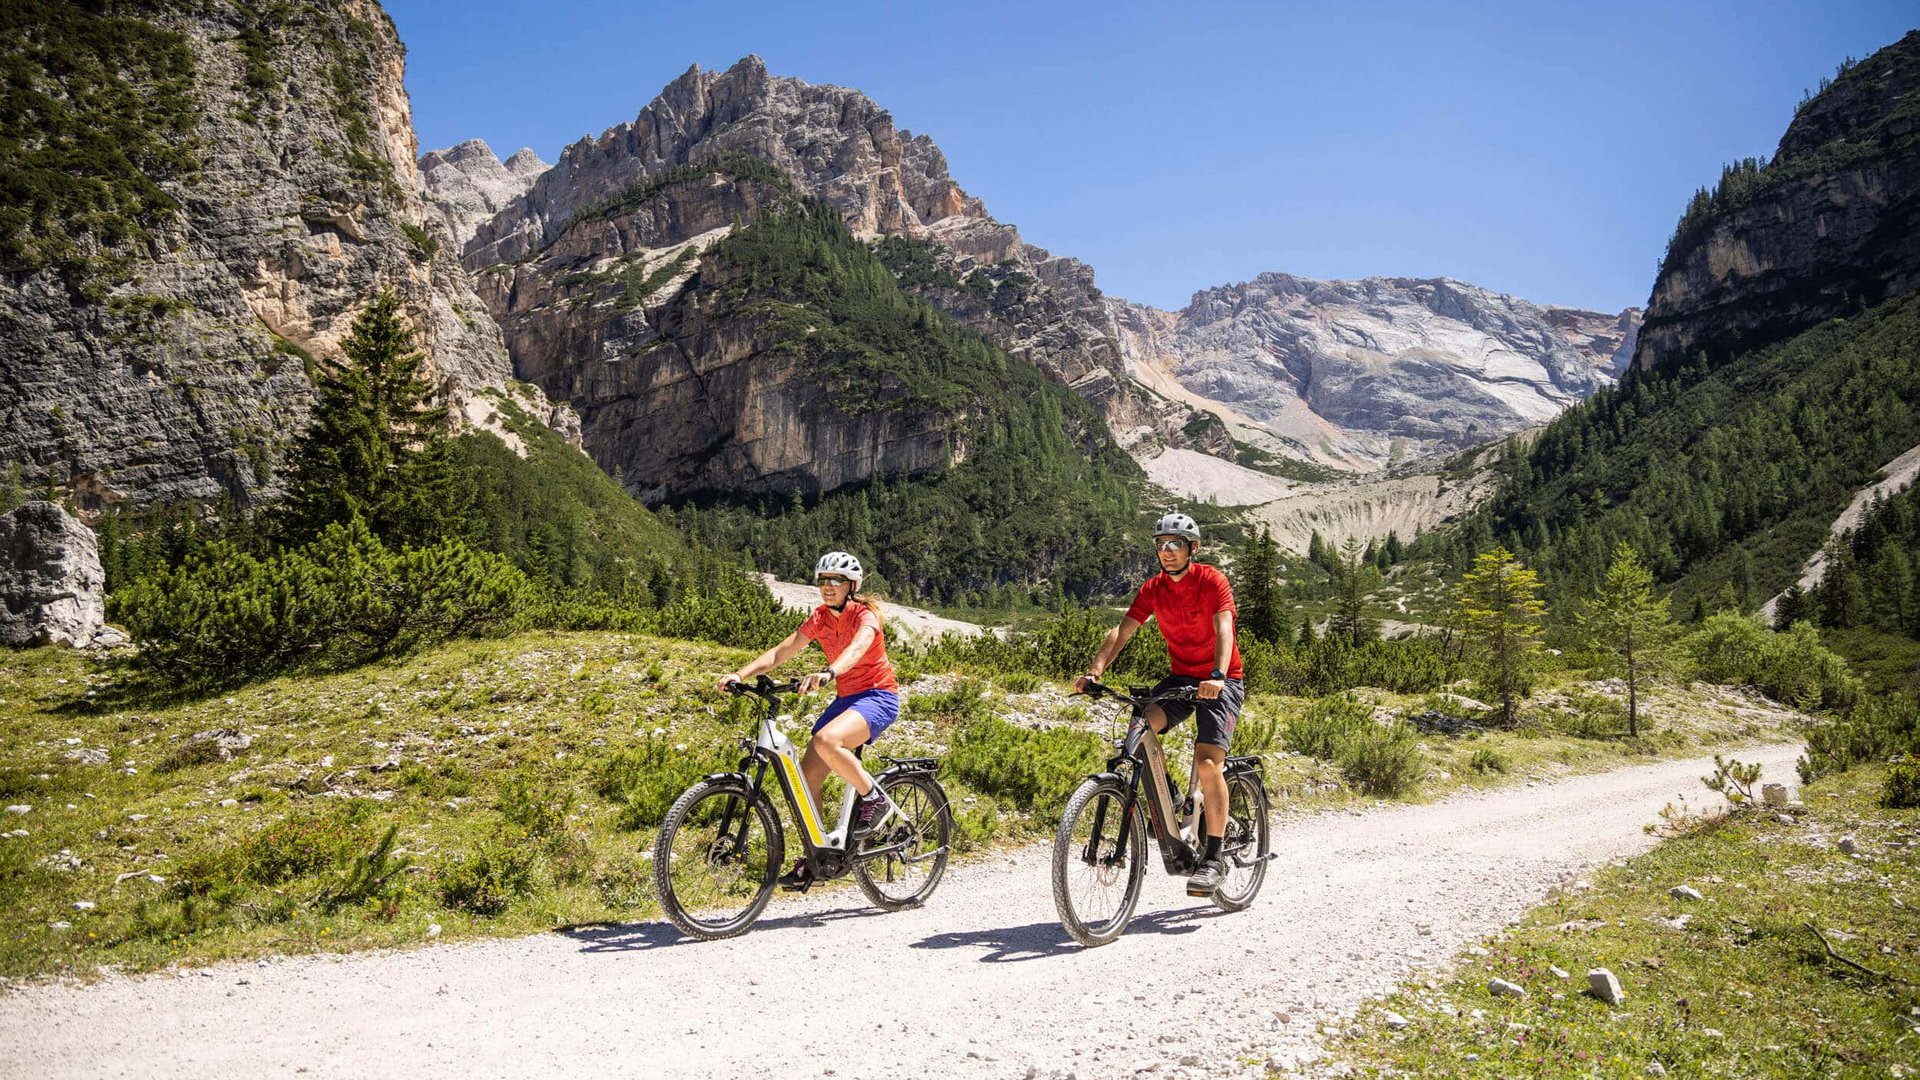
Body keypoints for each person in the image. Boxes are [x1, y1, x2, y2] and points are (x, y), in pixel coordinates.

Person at [1074, 511, 1246, 894]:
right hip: (1182, 677)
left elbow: (1224, 629)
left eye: (1175, 545)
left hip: (1222, 680)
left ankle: (1215, 857)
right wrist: (1095, 671)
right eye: (1160, 545)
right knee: (1139, 726)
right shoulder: (1153, 589)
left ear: (1192, 549)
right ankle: (1167, 803)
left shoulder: (1211, 580)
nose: (1166, 552)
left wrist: (1216, 677)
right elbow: (1122, 629)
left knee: (1206, 763)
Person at [717, 551, 901, 889]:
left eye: (836, 581)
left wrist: (830, 671)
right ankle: (818, 856)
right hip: (847, 699)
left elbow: (858, 648)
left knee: (827, 740)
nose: (828, 587)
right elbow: (780, 653)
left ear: (851, 586)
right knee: (807, 779)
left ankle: (875, 798)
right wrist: (739, 673)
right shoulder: (819, 617)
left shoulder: (866, 616)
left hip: (879, 696)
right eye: (823, 580)